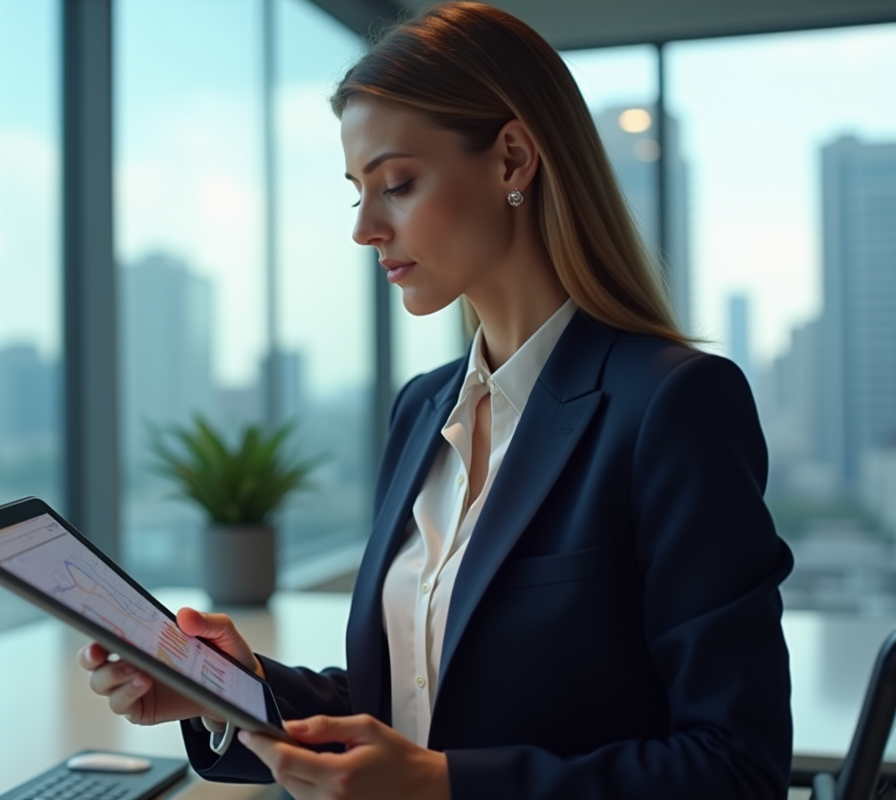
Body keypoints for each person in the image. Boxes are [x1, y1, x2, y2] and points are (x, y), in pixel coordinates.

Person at [77, 3, 794, 798]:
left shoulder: (673, 405)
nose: (366, 230)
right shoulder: (423, 410)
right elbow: (415, 711)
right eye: (358, 193)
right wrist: (234, 694)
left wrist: (444, 786)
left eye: (397, 184)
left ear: (513, 159)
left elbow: (735, 768)